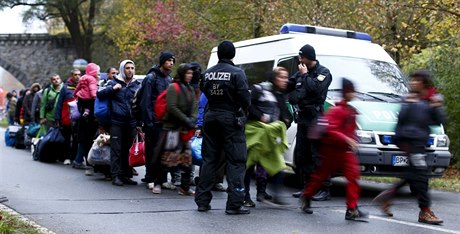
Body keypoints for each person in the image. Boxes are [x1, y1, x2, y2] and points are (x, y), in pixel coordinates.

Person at [373, 70, 446, 225]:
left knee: (413, 176)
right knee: (421, 178)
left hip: (420, 143)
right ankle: (425, 212)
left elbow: (439, 120)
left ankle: (387, 196)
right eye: (412, 80)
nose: (412, 83)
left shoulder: (427, 101)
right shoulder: (410, 100)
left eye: (416, 80)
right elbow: (403, 122)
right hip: (411, 143)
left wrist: (436, 106)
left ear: (424, 83)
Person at [300, 78, 369, 222]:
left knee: (353, 177)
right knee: (321, 176)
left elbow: (351, 130)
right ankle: (306, 195)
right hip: (331, 150)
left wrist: (354, 139)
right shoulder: (336, 110)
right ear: (347, 92)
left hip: (345, 151)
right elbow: (331, 130)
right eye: (351, 91)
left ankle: (351, 208)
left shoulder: (350, 111)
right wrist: (347, 139)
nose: (354, 93)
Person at [195, 40, 251, 215]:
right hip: (230, 119)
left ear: (218, 54)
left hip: (211, 118)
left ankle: (202, 201)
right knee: (236, 161)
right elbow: (245, 99)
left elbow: (203, 90)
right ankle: (234, 203)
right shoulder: (237, 73)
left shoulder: (207, 74)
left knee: (209, 159)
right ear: (233, 54)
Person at [287, 44, 333, 201]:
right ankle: (308, 188)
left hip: (316, 117)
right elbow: (289, 85)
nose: (300, 60)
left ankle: (324, 189)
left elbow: (315, 89)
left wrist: (305, 75)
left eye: (302, 57)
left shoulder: (323, 73)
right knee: (302, 154)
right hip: (303, 117)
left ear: (310, 57)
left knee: (317, 155)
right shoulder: (299, 72)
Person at [243, 67, 293, 207]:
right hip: (255, 134)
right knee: (249, 165)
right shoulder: (259, 89)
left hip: (269, 136)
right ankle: (245, 195)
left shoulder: (279, 93)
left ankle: (266, 193)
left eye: (286, 77)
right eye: (282, 77)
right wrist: (260, 116)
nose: (285, 80)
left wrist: (285, 120)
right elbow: (248, 105)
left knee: (276, 164)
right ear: (274, 77)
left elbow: (284, 112)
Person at [155, 63, 197, 196]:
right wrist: (186, 119)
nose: (190, 76)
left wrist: (192, 119)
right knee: (166, 159)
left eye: (191, 73)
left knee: (187, 160)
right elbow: (172, 107)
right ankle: (158, 182)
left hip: (184, 130)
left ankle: (185, 187)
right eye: (188, 73)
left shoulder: (190, 89)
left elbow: (194, 106)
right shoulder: (174, 87)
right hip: (172, 129)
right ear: (182, 74)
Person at [97, 60, 140, 186]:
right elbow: (99, 94)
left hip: (131, 122)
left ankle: (126, 175)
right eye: (127, 68)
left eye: (132, 68)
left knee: (128, 150)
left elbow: (140, 104)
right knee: (116, 150)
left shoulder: (136, 85)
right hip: (116, 122)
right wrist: (112, 89)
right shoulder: (113, 82)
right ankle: (116, 176)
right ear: (122, 69)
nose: (130, 70)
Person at [139, 52, 175, 193]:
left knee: (163, 151)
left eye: (173, 60)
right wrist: (148, 122)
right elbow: (146, 101)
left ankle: (162, 179)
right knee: (152, 151)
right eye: (168, 60)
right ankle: (151, 178)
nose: (171, 63)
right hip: (153, 121)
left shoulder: (169, 79)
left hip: (165, 121)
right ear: (162, 62)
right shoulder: (151, 78)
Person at [72, 64, 100, 175]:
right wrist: (98, 96)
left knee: (83, 140)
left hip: (84, 115)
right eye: (98, 71)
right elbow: (94, 94)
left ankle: (82, 162)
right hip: (91, 118)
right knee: (89, 140)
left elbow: (76, 91)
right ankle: (90, 165)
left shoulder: (83, 79)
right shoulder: (92, 81)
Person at [55, 69, 80, 165]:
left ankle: (74, 157)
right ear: (71, 75)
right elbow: (59, 103)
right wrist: (57, 118)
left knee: (76, 138)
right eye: (75, 75)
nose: (77, 76)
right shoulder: (65, 88)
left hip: (78, 118)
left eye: (79, 74)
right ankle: (67, 157)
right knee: (67, 138)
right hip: (66, 118)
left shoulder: (82, 86)